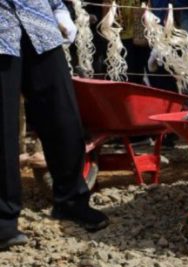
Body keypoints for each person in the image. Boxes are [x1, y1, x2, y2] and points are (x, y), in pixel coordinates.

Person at [1, 0, 109, 251]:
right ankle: (3, 219)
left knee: (63, 115)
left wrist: (60, 9)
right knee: (3, 128)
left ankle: (72, 200)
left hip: (39, 26)